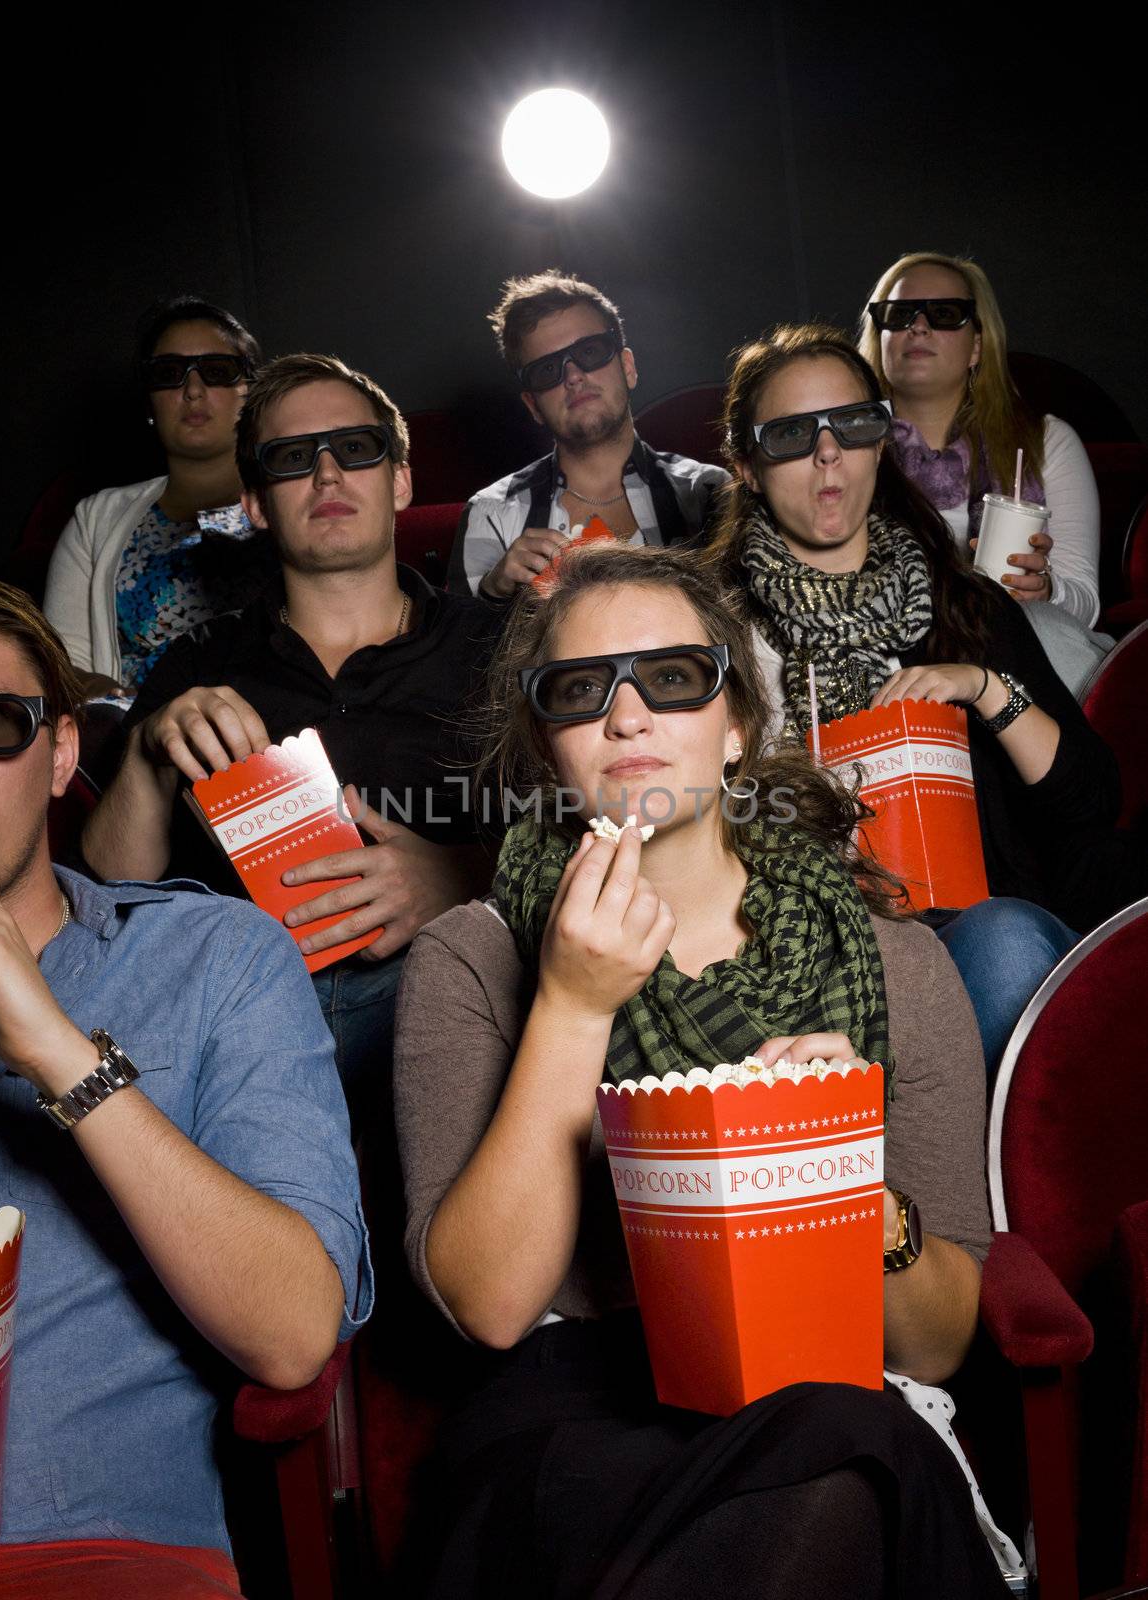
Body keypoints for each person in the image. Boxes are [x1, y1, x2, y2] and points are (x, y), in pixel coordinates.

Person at [393, 543, 1012, 1599]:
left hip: (833, 1390)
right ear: (549, 747)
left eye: (673, 678)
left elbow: (941, 1341)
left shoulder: (898, 963)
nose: (627, 717)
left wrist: (841, 1177)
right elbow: (490, 1306)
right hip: (580, 1407)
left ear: (734, 727)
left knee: (837, 1455)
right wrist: (573, 1003)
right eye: (581, 690)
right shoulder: (468, 956)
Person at [0, 578, 369, 1593]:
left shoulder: (212, 958)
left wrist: (57, 1051)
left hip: (85, 1548)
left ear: (63, 753)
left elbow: (293, 1334)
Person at [711, 323, 1144, 1071]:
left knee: (1006, 939)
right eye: (789, 435)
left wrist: (980, 688)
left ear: (881, 442)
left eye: (851, 425)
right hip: (791, 939)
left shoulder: (965, 607)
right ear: (746, 465)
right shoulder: (707, 627)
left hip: (966, 926)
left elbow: (1089, 803)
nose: (826, 454)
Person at [81, 354, 500, 1125]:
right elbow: (109, 883)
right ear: (257, 504)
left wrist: (464, 876)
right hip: (240, 1004)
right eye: (292, 459)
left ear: (401, 479)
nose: (329, 474)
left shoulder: (501, 650)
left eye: (357, 449)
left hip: (446, 984)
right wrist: (147, 753)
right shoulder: (199, 664)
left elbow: (586, 832)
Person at [43, 295, 275, 697]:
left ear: (251, 390)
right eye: (170, 372)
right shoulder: (94, 519)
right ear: (149, 397)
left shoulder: (296, 499)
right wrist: (92, 692)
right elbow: (64, 664)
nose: (193, 389)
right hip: (135, 741)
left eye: (217, 370)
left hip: (283, 742)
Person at [447, 271, 729, 598]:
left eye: (590, 351)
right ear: (533, 405)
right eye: (547, 370)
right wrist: (493, 593)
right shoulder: (490, 514)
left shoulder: (710, 492)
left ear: (628, 368)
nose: (574, 376)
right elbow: (455, 643)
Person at [858, 252, 1101, 629]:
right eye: (899, 313)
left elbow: (1086, 604)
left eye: (945, 313)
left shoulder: (1046, 441)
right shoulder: (841, 447)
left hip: (1016, 658)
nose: (918, 326)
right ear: (880, 337)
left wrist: (1047, 590)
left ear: (976, 346)